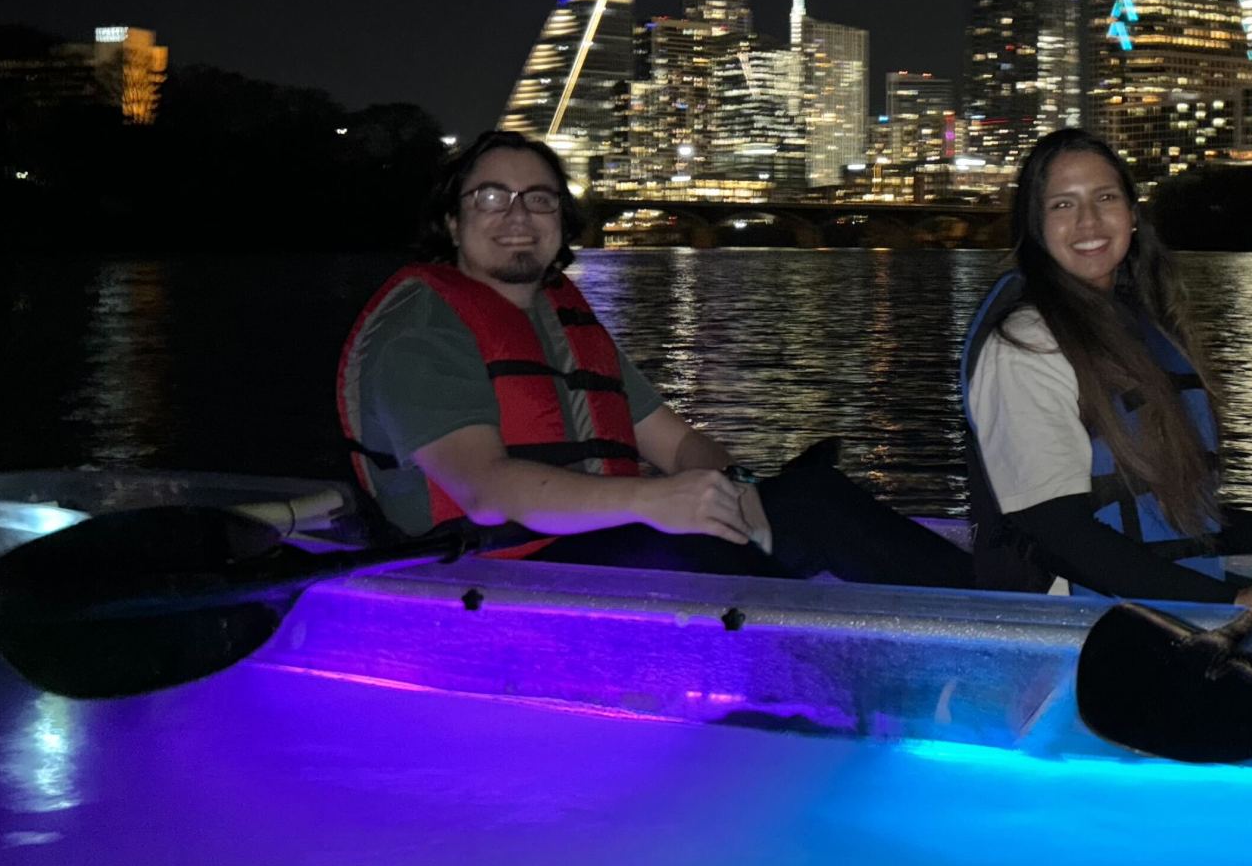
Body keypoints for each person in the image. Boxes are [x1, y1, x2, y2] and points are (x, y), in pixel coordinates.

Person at [339, 130, 968, 585]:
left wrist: (733, 486)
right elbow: (485, 491)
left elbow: (676, 444)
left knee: (813, 499)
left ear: (562, 218)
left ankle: (1013, 626)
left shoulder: (560, 315)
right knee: (709, 564)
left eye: (539, 199)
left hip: (597, 539)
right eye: (490, 198)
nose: (518, 217)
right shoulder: (421, 326)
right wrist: (649, 502)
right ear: (451, 221)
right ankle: (846, 710)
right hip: (493, 572)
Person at [961, 127, 1252, 606]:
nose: (1088, 222)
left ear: (1131, 215)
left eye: (1105, 198)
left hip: (1152, 603)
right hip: (1076, 620)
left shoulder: (1135, 329)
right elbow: (1056, 532)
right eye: (1062, 205)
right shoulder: (1026, 344)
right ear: (1036, 226)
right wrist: (1230, 605)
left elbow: (1164, 514)